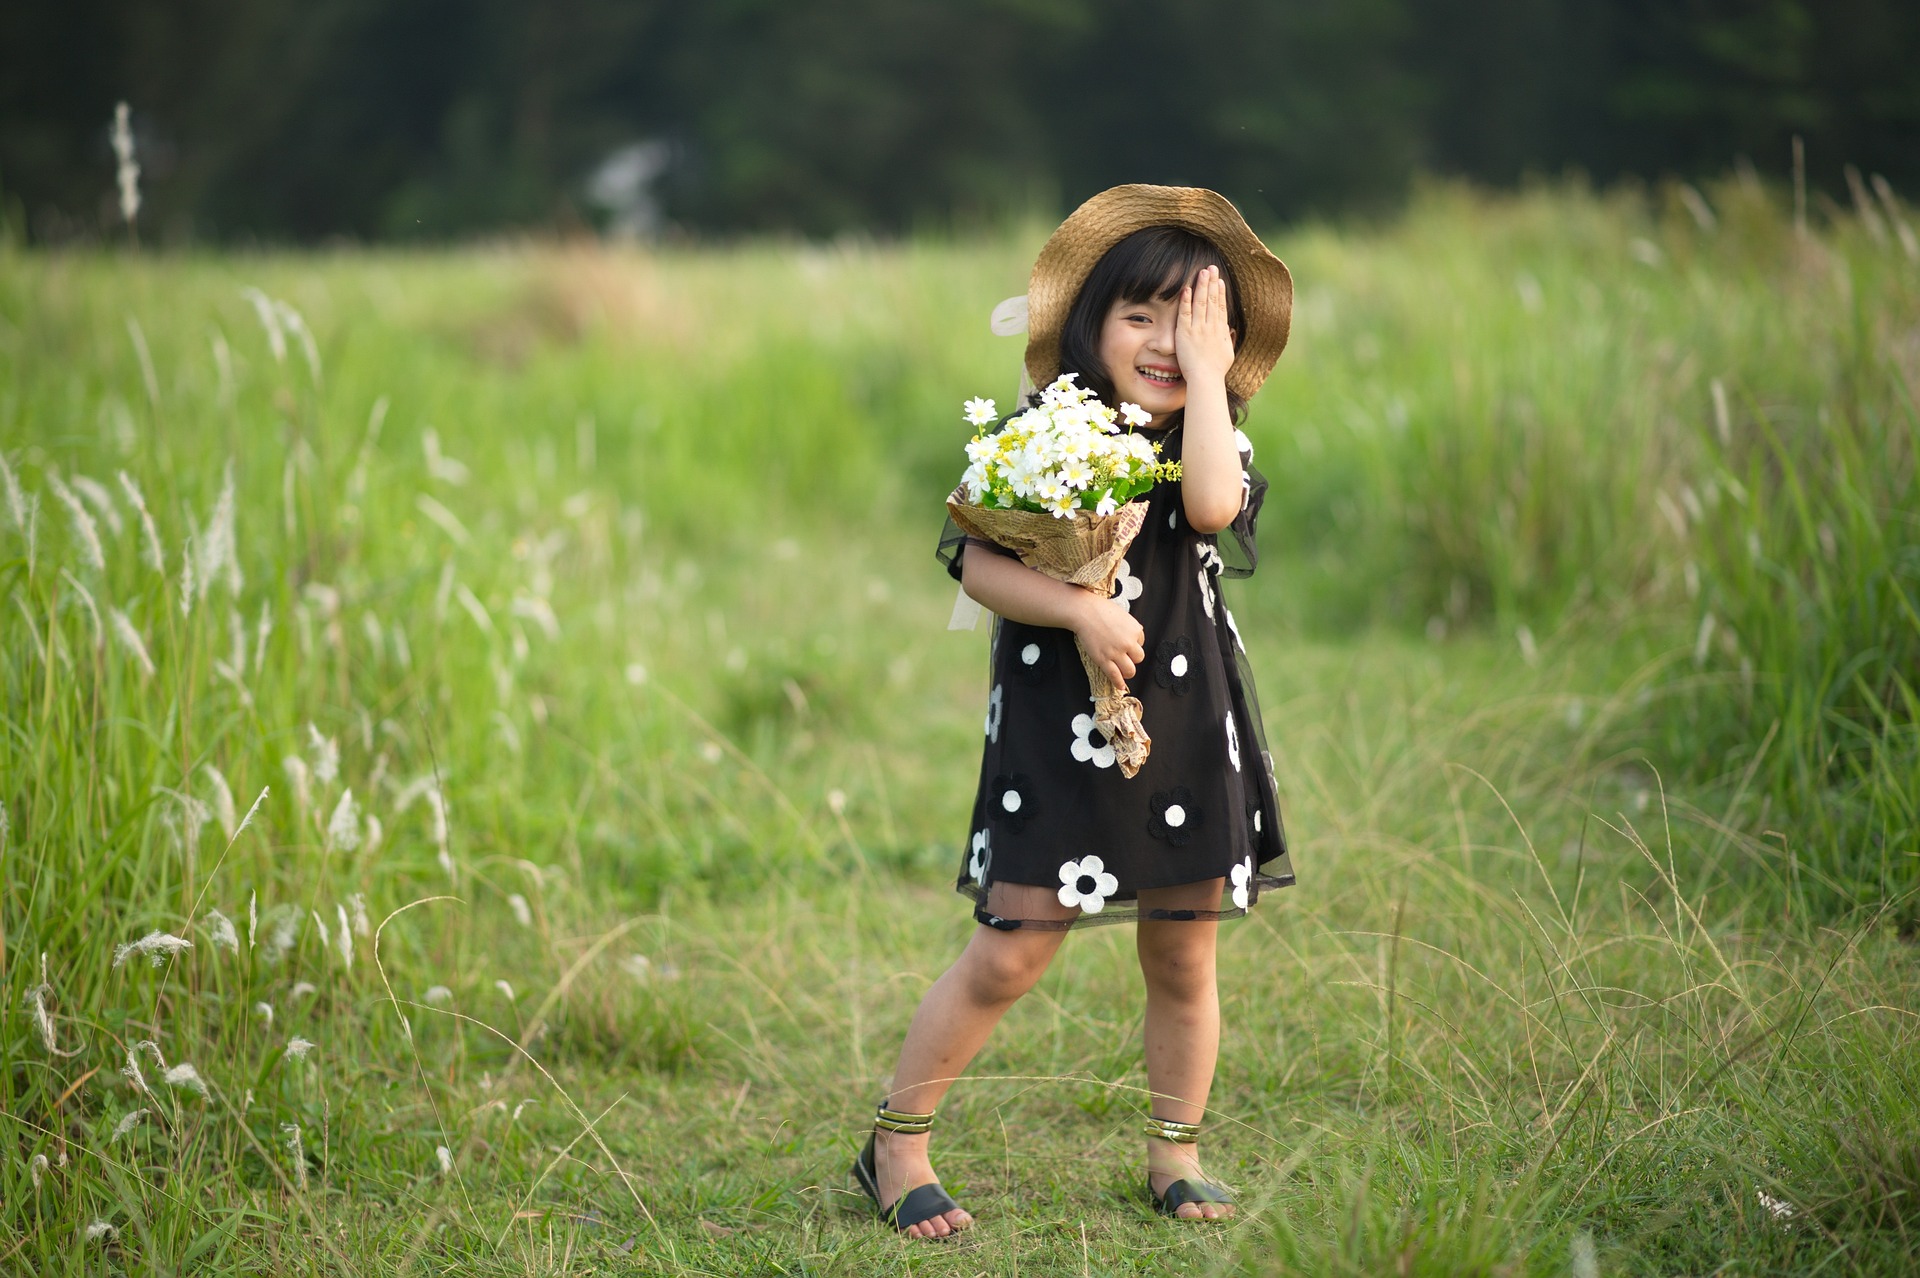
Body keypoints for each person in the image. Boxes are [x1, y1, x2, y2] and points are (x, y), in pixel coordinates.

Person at [851, 185, 1297, 1238]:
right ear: (1090, 323)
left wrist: (1205, 380)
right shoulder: (1047, 432)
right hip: (1059, 727)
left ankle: (1174, 1151)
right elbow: (979, 569)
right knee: (1013, 945)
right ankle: (896, 1143)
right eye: (1140, 314)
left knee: (1184, 953)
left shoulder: (1208, 434)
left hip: (1186, 722)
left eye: (1193, 320)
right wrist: (1079, 613)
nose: (1161, 341)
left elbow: (1211, 510)